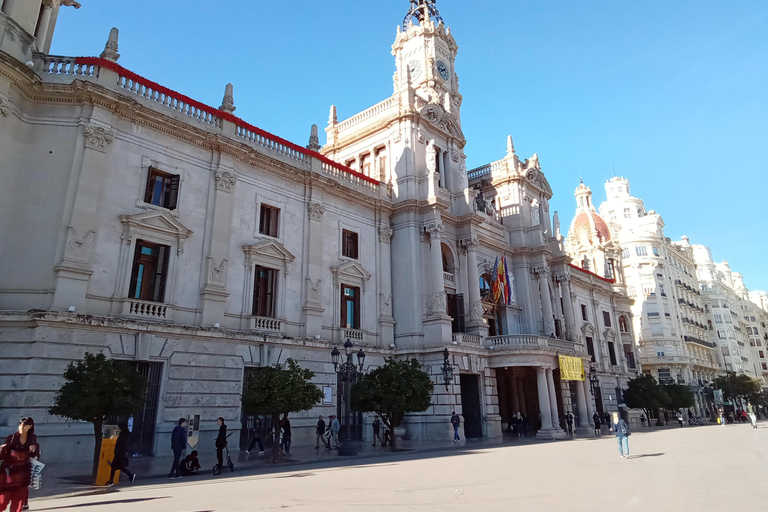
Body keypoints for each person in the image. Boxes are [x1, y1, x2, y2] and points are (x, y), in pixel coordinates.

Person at [0, 417, 39, 512]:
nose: (22, 427)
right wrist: (1, 450)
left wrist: (34, 450)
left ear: (30, 427)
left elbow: (35, 455)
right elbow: (2, 456)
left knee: (18, 504)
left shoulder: (32, 439)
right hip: (8, 474)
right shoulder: (12, 438)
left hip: (23, 474)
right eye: (20, 424)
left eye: (25, 425)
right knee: (2, 502)